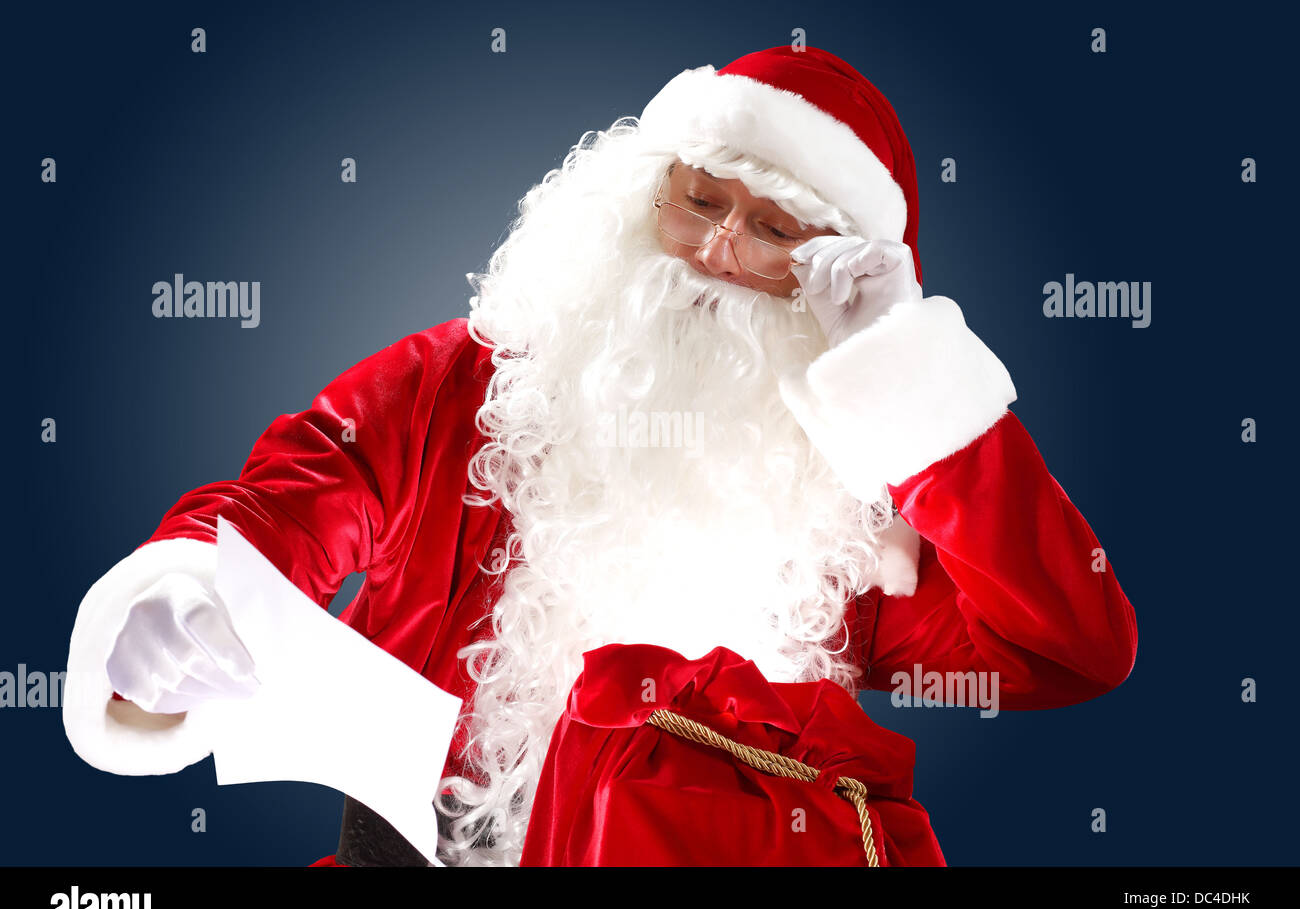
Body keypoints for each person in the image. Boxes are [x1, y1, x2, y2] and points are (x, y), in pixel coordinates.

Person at [62, 46, 1139, 867]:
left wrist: (912, 388)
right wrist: (181, 594)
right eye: (701, 201)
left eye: (773, 231)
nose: (716, 251)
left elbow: (1069, 643)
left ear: (837, 275)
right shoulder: (459, 388)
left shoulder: (850, 512)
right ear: (640, 197)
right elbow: (283, 504)